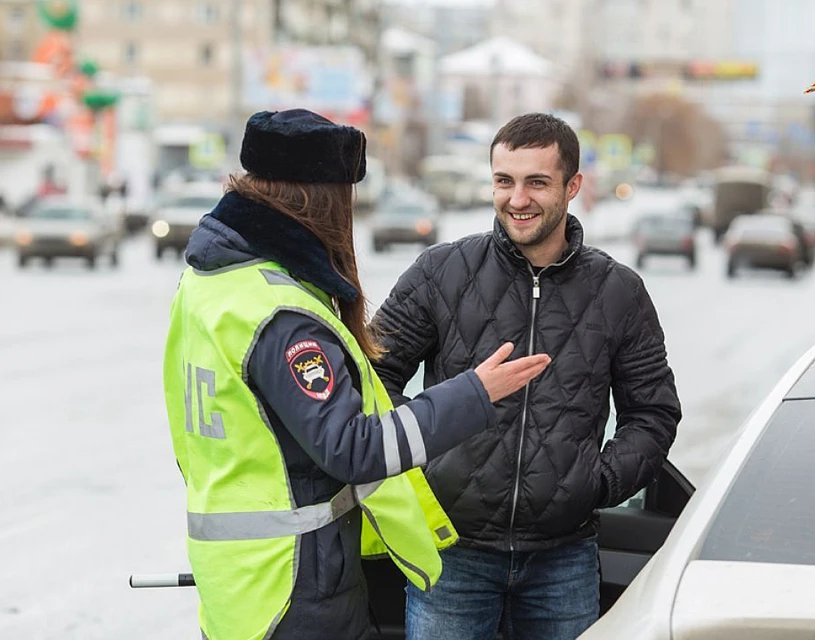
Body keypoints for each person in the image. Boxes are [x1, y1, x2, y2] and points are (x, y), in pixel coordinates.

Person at [161, 108, 552, 640]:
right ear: (320, 200)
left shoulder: (211, 285)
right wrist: (474, 395)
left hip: (237, 585)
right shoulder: (281, 313)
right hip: (294, 589)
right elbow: (351, 448)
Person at [371, 112, 682, 640]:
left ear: (572, 186)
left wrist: (597, 482)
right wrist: (423, 468)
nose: (517, 198)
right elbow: (372, 382)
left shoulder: (618, 291)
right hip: (451, 552)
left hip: (563, 560)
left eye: (536, 182)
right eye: (504, 181)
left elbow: (653, 413)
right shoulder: (440, 273)